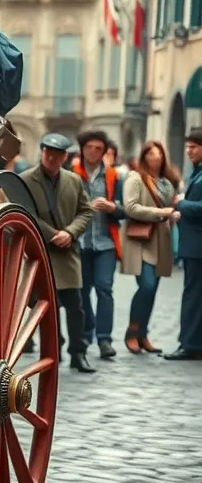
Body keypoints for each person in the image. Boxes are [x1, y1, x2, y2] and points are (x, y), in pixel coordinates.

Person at [20, 133, 97, 373]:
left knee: (76, 307)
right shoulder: (25, 179)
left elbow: (86, 211)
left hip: (68, 252)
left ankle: (78, 353)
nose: (51, 158)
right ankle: (52, 350)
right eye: (47, 152)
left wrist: (70, 233)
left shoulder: (74, 180)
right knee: (46, 307)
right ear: (42, 152)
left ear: (65, 157)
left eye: (57, 154)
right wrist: (54, 234)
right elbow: (24, 212)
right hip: (40, 251)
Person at [121, 140, 180, 355]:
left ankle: (143, 334)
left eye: (159, 153)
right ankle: (132, 332)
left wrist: (172, 213)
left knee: (152, 290)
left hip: (161, 240)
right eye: (152, 153)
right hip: (140, 240)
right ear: (144, 156)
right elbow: (130, 207)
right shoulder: (135, 178)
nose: (157, 157)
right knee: (146, 285)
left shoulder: (167, 182)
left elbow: (171, 207)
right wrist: (161, 213)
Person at [71, 130, 124, 360]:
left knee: (104, 289)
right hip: (80, 242)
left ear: (104, 151)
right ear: (82, 149)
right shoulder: (71, 174)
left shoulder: (113, 176)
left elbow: (124, 209)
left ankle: (104, 339)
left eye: (98, 148)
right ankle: (86, 334)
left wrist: (113, 207)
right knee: (82, 291)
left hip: (106, 243)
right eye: (89, 147)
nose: (93, 152)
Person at [167, 129, 202, 360]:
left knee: (192, 297)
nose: (189, 151)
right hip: (194, 245)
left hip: (197, 247)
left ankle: (189, 345)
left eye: (194, 147)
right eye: (188, 146)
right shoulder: (196, 172)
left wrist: (182, 203)